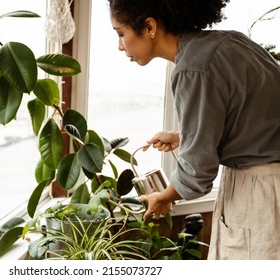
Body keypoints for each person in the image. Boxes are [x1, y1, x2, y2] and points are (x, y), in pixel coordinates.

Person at [108, 0, 280, 259]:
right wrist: (183, 136)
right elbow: (256, 114)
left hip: (258, 195)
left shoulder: (192, 68)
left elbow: (198, 171)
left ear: (150, 26)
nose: (120, 46)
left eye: (121, 34)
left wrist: (165, 197)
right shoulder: (231, 42)